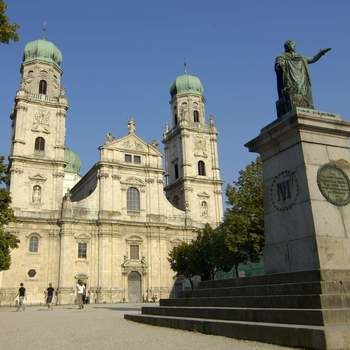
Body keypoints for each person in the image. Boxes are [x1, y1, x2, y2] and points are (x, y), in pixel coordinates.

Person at [275, 40, 331, 116]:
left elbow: (312, 59)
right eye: (292, 44)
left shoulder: (300, 57)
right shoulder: (282, 57)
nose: (294, 46)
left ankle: (305, 105)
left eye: (294, 45)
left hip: (301, 80)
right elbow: (278, 65)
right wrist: (280, 65)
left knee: (303, 93)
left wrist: (321, 53)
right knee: (293, 93)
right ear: (287, 46)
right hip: (290, 79)